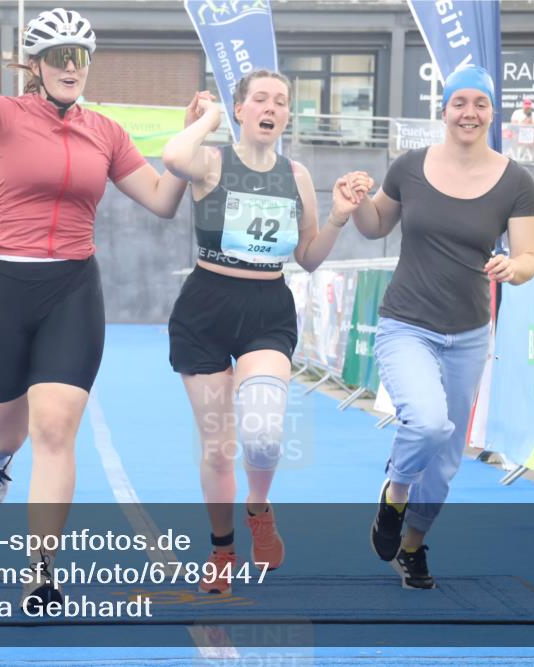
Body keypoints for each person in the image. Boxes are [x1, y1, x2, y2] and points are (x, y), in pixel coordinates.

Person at [0, 1, 192, 608]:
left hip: (73, 290)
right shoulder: (1, 115)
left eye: (80, 58)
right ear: (37, 64)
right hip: (1, 287)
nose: (71, 67)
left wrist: (187, 146)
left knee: (55, 427)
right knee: (9, 430)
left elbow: (161, 199)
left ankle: (41, 570)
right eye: (59, 57)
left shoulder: (107, 132)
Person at [162, 70, 371, 595]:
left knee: (262, 434)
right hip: (206, 308)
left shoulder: (297, 175)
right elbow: (171, 158)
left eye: (280, 101)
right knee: (216, 449)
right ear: (240, 109)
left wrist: (340, 218)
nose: (271, 107)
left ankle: (258, 505)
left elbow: (308, 257)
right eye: (259, 99)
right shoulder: (210, 161)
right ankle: (222, 548)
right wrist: (205, 119)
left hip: (267, 310)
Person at [352, 65, 534, 590]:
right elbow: (374, 227)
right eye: (460, 102)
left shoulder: (516, 181)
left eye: (481, 104)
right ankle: (393, 496)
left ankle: (412, 547)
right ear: (443, 110)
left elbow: (527, 258)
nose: (469, 113)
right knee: (429, 423)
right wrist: (354, 204)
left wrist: (513, 269)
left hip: (470, 333)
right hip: (406, 323)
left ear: (492, 113)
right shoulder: (409, 167)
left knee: (446, 465)